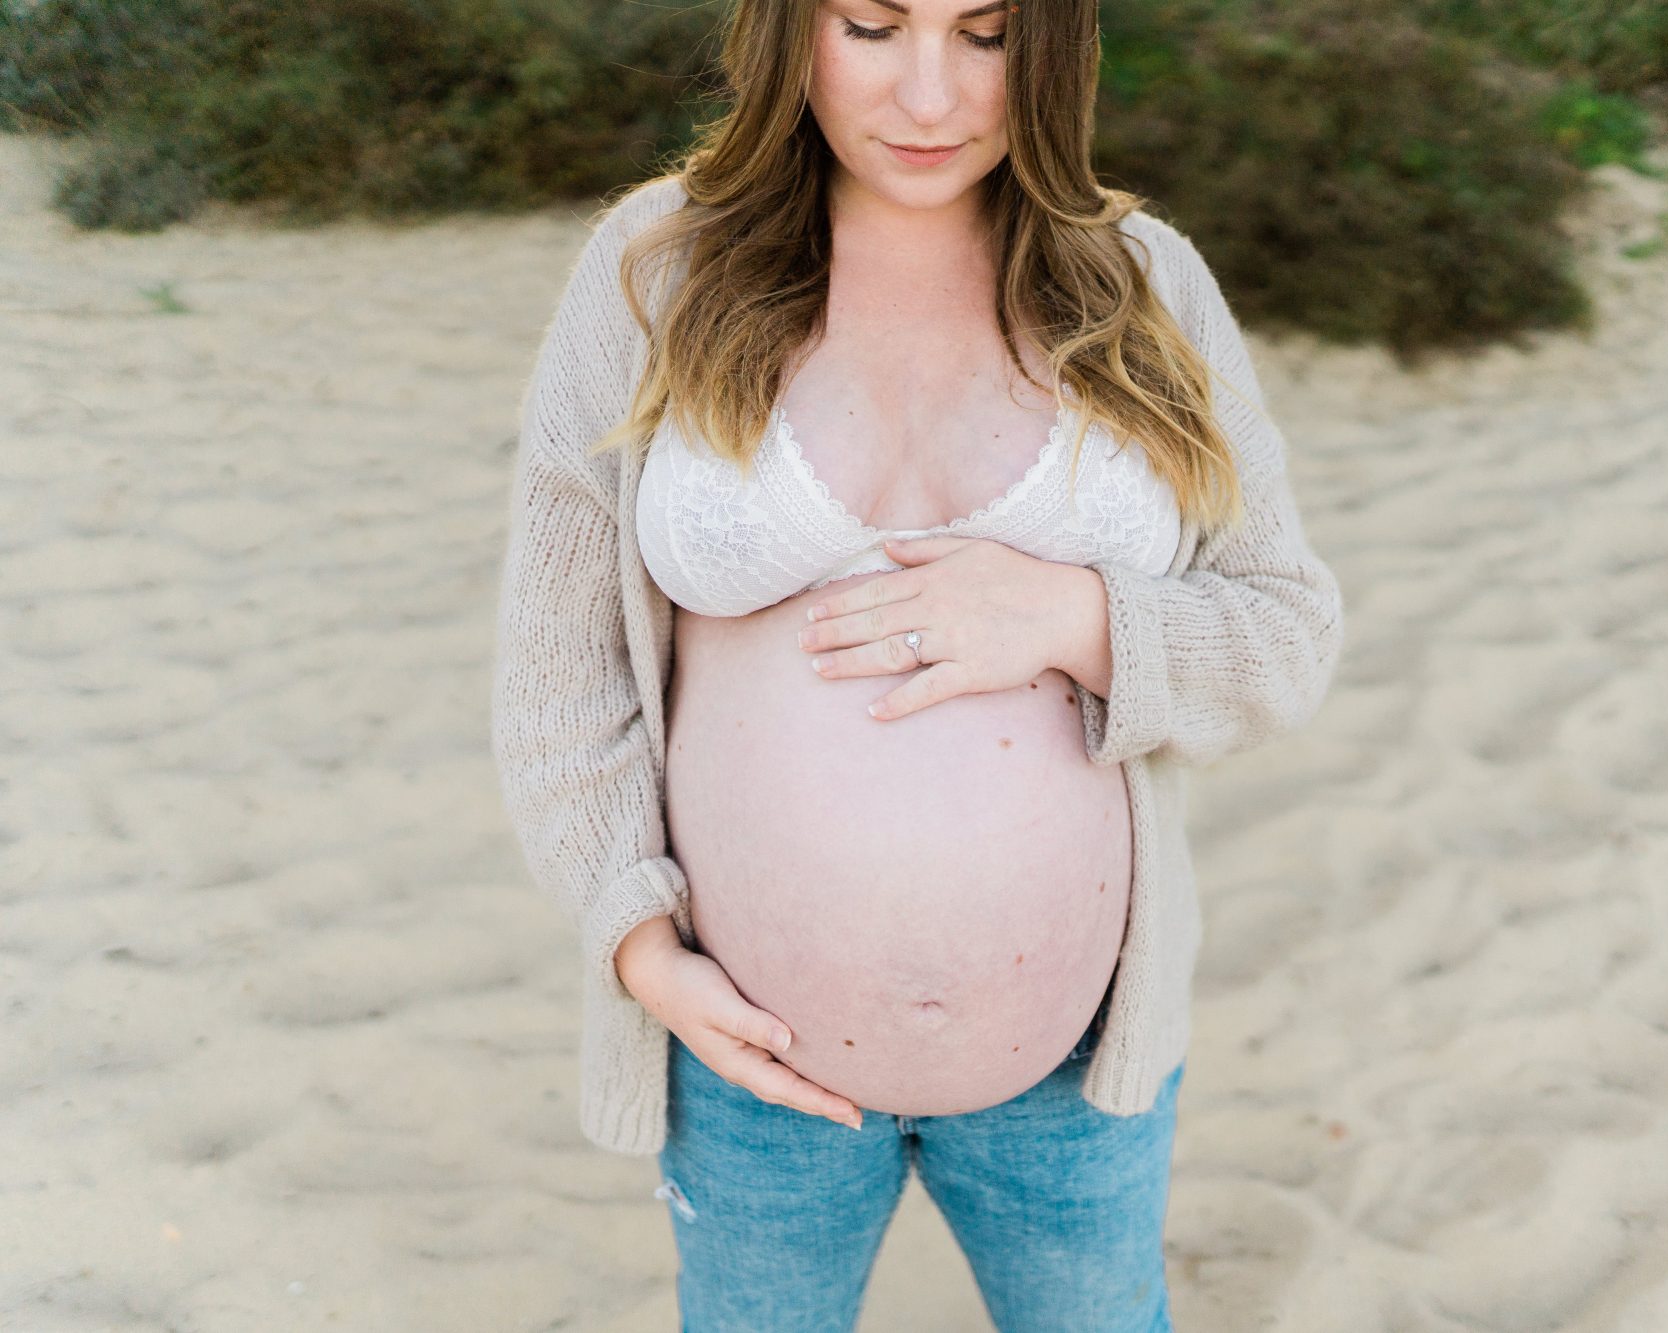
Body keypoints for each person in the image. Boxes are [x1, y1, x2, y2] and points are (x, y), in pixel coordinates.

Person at [489, 1, 1344, 1328]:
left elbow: (1287, 629)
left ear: (1050, 45)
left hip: (1074, 1070)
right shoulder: (654, 272)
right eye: (875, 26)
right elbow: (561, 670)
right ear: (788, 31)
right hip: (748, 1066)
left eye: (988, 32)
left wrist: (1077, 616)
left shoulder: (1147, 284)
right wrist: (639, 943)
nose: (932, 96)